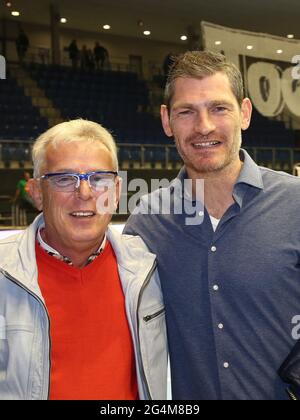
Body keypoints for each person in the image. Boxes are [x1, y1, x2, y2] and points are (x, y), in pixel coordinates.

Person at [124, 50, 300, 400]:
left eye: (219, 108)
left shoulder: (295, 204)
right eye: (187, 112)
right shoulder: (145, 224)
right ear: (166, 121)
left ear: (245, 113)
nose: (204, 126)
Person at [0, 119, 168, 400]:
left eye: (98, 179)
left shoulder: (149, 269)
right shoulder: (5, 275)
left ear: (116, 193)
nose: (85, 194)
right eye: (64, 179)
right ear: (37, 193)